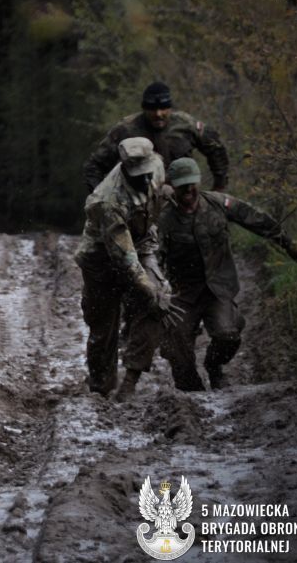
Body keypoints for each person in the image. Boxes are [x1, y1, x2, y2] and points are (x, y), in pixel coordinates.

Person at [158, 158, 297, 389]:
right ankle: (191, 391)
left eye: (192, 183)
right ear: (173, 185)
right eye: (182, 185)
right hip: (183, 293)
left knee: (227, 335)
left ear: (199, 182)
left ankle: (214, 367)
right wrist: (158, 290)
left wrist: (289, 244)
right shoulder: (163, 219)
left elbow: (255, 219)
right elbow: (153, 256)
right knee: (176, 347)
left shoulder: (219, 204)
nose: (189, 190)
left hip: (218, 288)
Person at [74, 138, 199, 401]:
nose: (145, 179)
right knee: (102, 328)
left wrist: (153, 286)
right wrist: (148, 284)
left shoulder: (156, 165)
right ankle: (101, 388)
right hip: (102, 260)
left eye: (147, 174)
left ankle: (131, 379)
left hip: (141, 245)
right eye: (138, 176)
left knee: (156, 303)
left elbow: (157, 197)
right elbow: (125, 260)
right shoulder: (108, 201)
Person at [83, 82, 229, 192]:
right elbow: (94, 166)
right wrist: (101, 198)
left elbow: (216, 149)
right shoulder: (126, 130)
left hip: (182, 200)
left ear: (170, 108)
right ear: (144, 108)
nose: (158, 114)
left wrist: (218, 188)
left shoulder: (187, 125)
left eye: (163, 108)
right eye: (152, 109)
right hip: (139, 203)